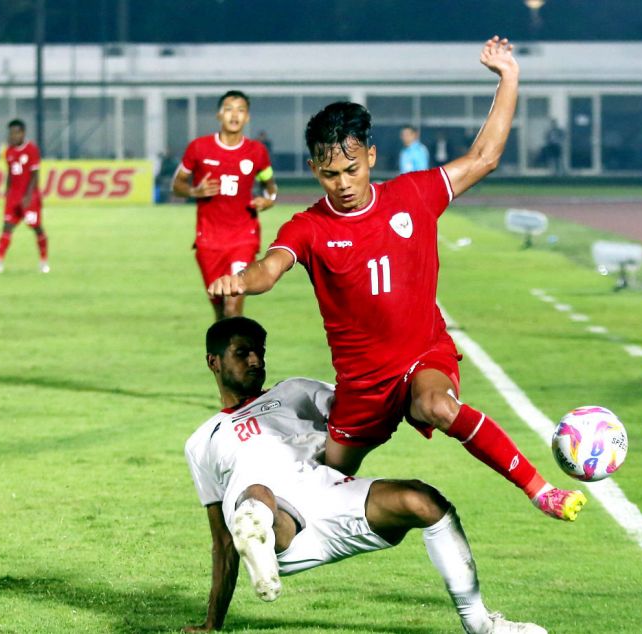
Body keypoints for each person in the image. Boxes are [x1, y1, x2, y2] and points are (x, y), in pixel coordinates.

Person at [206, 37, 586, 522]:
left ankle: (539, 489)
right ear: (312, 170)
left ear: (370, 156)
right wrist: (240, 279)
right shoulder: (308, 226)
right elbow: (270, 268)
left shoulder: (416, 195)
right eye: (328, 174)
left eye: (350, 169)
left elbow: (485, 156)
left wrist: (509, 76)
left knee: (439, 406)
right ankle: (258, 534)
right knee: (322, 484)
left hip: (423, 354)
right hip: (362, 386)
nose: (342, 184)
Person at [183, 317, 546, 634]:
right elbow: (222, 539)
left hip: (327, 496)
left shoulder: (295, 391)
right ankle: (261, 552)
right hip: (277, 526)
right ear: (213, 361)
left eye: (259, 351)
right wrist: (212, 622)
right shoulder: (203, 440)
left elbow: (358, 411)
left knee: (424, 501)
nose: (256, 360)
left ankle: (481, 624)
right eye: (242, 352)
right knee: (257, 498)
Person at [172, 90, 279, 320]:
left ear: (247, 117)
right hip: (209, 240)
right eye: (229, 109)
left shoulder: (257, 152)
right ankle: (225, 355)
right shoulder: (199, 148)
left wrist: (268, 200)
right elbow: (176, 185)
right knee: (221, 313)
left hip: (243, 238)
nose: (234, 115)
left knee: (233, 303)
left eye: (241, 110)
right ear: (219, 115)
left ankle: (243, 354)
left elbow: (270, 187)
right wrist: (194, 191)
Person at [0, 119, 48, 274]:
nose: (12, 136)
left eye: (15, 133)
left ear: (22, 133)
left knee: (37, 228)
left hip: (29, 197)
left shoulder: (31, 149)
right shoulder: (9, 151)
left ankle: (43, 262)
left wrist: (29, 196)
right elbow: (10, 173)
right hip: (13, 197)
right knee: (7, 227)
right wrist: (7, 192)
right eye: (10, 133)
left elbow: (34, 175)